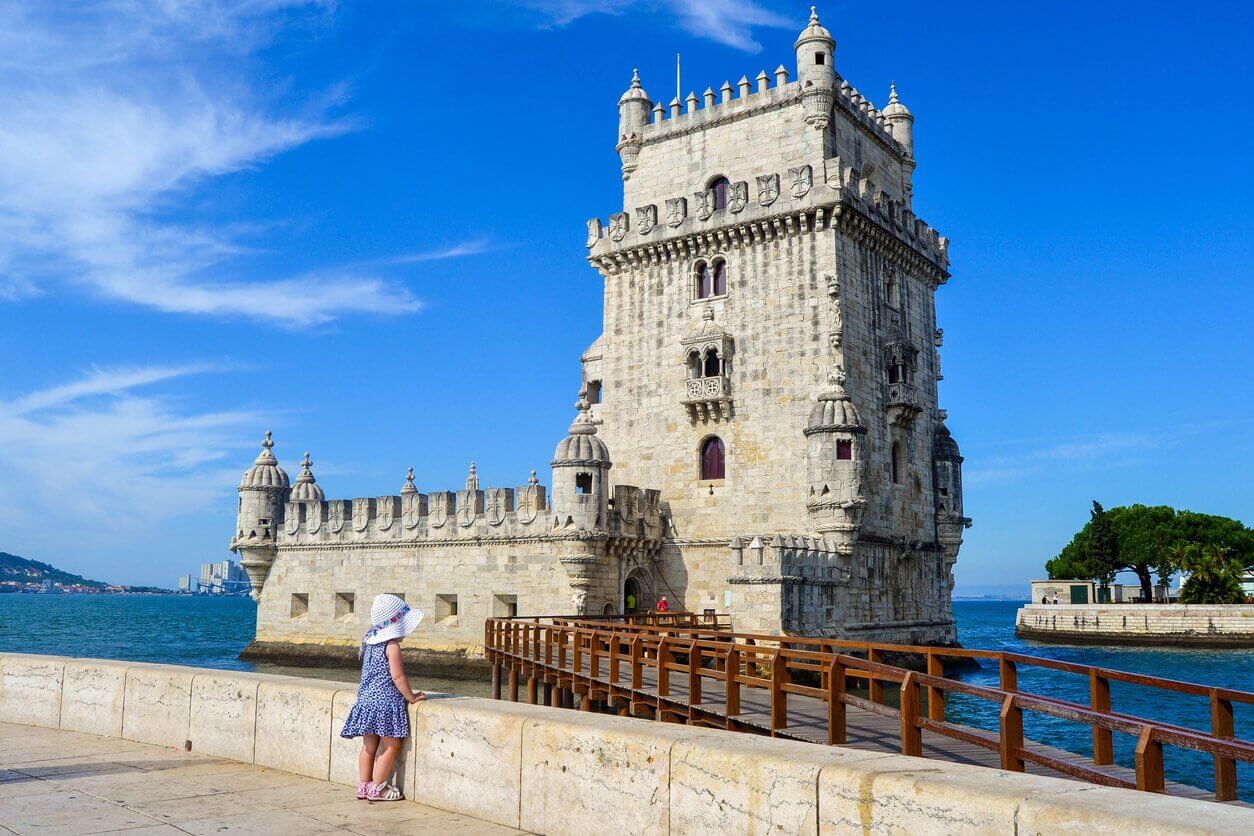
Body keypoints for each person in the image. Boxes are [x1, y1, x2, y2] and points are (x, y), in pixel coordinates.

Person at [340, 594, 426, 802]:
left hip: (366, 702)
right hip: (385, 705)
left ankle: (364, 785)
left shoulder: (369, 642)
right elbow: (397, 676)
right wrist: (411, 697)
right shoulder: (392, 647)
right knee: (391, 746)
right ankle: (378, 788)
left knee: (369, 746)